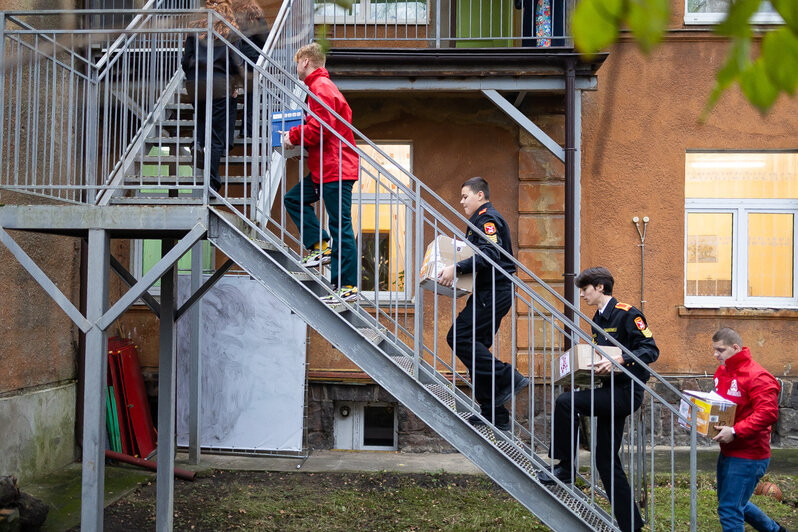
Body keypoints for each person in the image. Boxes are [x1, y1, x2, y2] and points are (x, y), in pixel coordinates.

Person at [540, 266, 659, 532]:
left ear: (600, 287)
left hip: (626, 392)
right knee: (604, 459)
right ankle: (632, 525)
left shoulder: (628, 315)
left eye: (585, 289)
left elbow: (650, 350)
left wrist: (621, 360)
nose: (581, 294)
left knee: (566, 403)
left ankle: (566, 468)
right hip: (609, 390)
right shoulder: (598, 319)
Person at [438, 177, 529, 431]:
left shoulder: (487, 219)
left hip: (494, 291)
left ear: (480, 195)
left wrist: (455, 268)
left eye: (465, 196)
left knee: (459, 337)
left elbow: (489, 255)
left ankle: (507, 376)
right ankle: (494, 413)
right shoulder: (478, 220)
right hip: (489, 292)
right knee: (475, 349)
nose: (461, 201)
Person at [282, 43, 360, 304]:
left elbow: (319, 130)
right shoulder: (319, 89)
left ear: (305, 61)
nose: (296, 68)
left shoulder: (320, 88)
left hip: (335, 169)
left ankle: (346, 285)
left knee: (341, 225)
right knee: (293, 199)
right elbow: (320, 129)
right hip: (326, 168)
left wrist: (292, 136)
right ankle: (319, 245)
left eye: (297, 63)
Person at [710, 327, 786, 532]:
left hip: (750, 455)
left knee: (729, 510)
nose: (716, 354)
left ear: (736, 348)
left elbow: (768, 414)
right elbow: (719, 403)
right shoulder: (722, 370)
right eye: (714, 350)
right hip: (729, 451)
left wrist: (734, 431)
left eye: (720, 350)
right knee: (733, 504)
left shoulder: (758, 376)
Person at [181, 0, 242, 193]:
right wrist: (235, 85)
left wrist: (191, 77)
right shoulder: (230, 31)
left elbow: (185, 60)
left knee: (201, 120)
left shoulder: (195, 29)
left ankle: (197, 145)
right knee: (215, 134)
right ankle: (212, 184)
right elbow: (235, 63)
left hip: (196, 83)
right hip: (219, 84)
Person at [233, 0, 269, 140]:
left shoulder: (233, 16)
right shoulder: (257, 17)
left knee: (230, 93)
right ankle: (246, 129)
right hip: (253, 60)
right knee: (251, 95)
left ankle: (227, 134)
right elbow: (265, 39)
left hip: (235, 59)